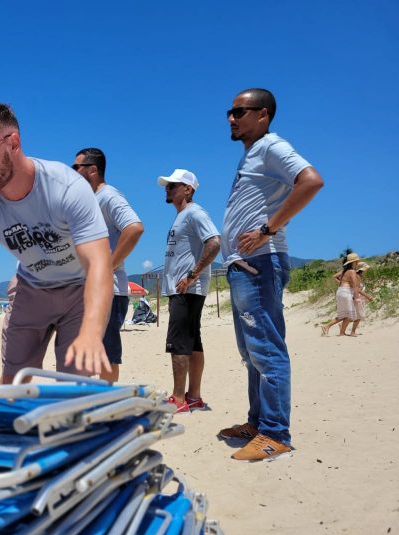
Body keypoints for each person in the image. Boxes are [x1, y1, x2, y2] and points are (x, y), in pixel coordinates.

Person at [0, 102, 112, 383]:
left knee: (73, 390)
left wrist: (92, 332)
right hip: (30, 289)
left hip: (80, 290)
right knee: (13, 385)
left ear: (14, 142)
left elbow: (98, 263)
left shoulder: (66, 187)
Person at [218, 88, 324, 462]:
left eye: (239, 111)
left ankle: (276, 433)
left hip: (261, 261)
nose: (231, 118)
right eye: (229, 112)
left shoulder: (272, 146)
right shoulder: (254, 153)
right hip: (244, 264)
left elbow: (311, 180)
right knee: (251, 353)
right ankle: (259, 423)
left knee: (267, 349)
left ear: (262, 115)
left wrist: (267, 228)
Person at [73, 147, 143, 382]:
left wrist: (107, 267)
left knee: (106, 352)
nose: (72, 173)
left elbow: (134, 228)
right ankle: (97, 403)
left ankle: (108, 407)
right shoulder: (92, 199)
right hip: (94, 289)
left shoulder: (109, 196)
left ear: (92, 170)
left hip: (109, 290)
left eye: (76, 168)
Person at [157, 169, 220, 413]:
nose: (168, 188)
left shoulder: (194, 213)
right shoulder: (183, 215)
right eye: (168, 185)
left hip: (186, 289)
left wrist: (192, 275)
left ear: (188, 189)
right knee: (193, 342)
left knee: (179, 343)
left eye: (173, 185)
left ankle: (178, 399)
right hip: (186, 289)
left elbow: (214, 242)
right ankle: (193, 397)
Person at [321, 252, 362, 336]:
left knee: (345, 314)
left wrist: (342, 283)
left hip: (340, 291)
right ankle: (327, 326)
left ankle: (341, 332)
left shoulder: (345, 271)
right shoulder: (352, 272)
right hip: (346, 292)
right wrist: (357, 298)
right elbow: (355, 285)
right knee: (348, 313)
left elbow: (335, 277)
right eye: (357, 261)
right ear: (354, 262)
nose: (357, 263)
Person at [349, 262, 374, 336]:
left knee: (356, 315)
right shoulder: (357, 277)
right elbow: (358, 289)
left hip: (357, 297)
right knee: (359, 315)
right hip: (358, 297)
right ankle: (352, 332)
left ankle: (343, 325)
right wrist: (368, 296)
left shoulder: (357, 276)